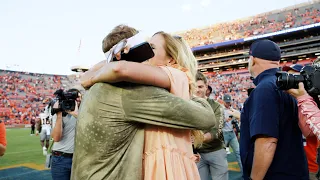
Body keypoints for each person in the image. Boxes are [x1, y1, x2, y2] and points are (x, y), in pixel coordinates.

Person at [71, 25, 216, 180]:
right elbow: (206, 117)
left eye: (150, 47)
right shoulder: (129, 90)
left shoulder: (100, 86)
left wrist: (91, 75)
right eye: (144, 47)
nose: (146, 53)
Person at [240, 39, 308, 180]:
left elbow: (267, 141)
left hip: (274, 174)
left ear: (252, 60)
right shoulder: (286, 84)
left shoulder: (264, 88)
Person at [283, 64, 319, 180]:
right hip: (294, 166)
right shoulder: (290, 103)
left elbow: (309, 132)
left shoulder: (312, 104)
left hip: (313, 168)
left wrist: (303, 98)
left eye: (295, 77)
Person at [194, 72, 228, 180]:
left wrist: (198, 139)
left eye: (200, 86)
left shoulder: (217, 106)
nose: (197, 90)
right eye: (194, 87)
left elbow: (217, 131)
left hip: (216, 150)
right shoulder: (187, 105)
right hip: (197, 153)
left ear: (206, 87)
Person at [51, 88, 81, 180]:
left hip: (78, 158)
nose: (79, 99)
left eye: (80, 97)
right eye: (76, 97)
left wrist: (76, 114)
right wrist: (59, 115)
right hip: (61, 158)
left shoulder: (85, 113)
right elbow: (56, 138)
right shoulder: (60, 113)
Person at [222, 94, 242, 173]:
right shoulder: (221, 110)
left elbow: (235, 121)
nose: (228, 104)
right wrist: (225, 120)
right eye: (226, 102)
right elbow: (217, 123)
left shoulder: (232, 109)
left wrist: (234, 121)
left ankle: (244, 174)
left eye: (228, 102)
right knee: (223, 155)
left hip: (232, 133)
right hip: (224, 134)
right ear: (223, 102)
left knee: (238, 152)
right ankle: (223, 174)